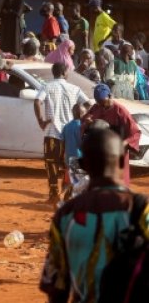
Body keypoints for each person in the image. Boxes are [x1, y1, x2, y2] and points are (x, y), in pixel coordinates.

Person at [39, 127, 149, 302]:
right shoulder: (140, 208)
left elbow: (56, 288)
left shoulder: (65, 215)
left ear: (83, 166)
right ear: (122, 162)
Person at [34, 62, 90, 204]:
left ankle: (53, 194)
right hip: (71, 132)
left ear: (53, 73)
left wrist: (41, 120)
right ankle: (70, 193)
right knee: (71, 164)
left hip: (52, 132)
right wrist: (83, 119)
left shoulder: (47, 86)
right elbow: (88, 103)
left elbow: (37, 101)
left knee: (51, 164)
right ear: (65, 72)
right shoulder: (75, 88)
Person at [82, 83, 141, 185]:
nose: (101, 105)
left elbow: (135, 132)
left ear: (109, 96)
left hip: (117, 153)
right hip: (101, 152)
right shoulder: (95, 108)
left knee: (119, 183)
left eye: (103, 102)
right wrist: (87, 123)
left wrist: (123, 143)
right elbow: (83, 124)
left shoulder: (121, 111)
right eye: (98, 102)